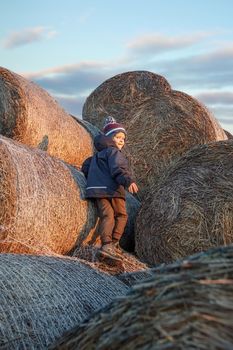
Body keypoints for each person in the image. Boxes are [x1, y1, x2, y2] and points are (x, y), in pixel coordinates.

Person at [81, 116, 138, 259]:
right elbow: (118, 168)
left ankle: (105, 244)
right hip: (112, 190)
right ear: (110, 138)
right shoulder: (114, 152)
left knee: (107, 215)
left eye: (123, 139)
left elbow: (85, 168)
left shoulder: (95, 155)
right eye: (118, 137)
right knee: (122, 215)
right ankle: (113, 242)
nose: (121, 141)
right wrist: (128, 181)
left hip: (97, 191)